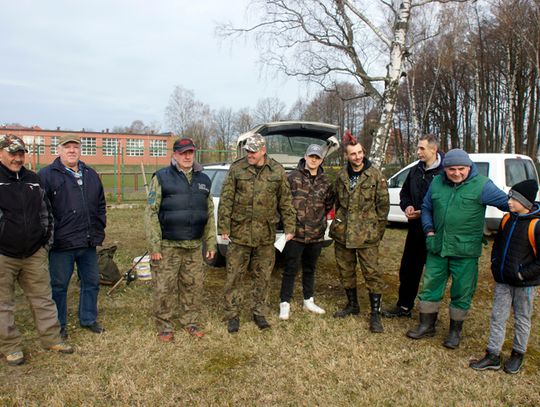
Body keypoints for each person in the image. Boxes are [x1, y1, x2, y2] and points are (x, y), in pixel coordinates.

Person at [406, 148, 509, 348]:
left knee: (462, 290)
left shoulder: (482, 185)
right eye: (451, 169)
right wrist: (428, 230)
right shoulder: (437, 182)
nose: (456, 173)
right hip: (437, 247)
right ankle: (427, 325)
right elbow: (427, 207)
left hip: (465, 251)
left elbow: (508, 204)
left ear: (469, 167)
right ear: (445, 169)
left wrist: (527, 214)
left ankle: (455, 332)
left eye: (461, 169)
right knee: (430, 287)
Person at [0, 135, 73, 366]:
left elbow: (46, 213)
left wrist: (45, 243)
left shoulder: (33, 179)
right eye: (13, 153)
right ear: (1, 153)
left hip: (34, 253)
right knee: (3, 304)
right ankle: (10, 346)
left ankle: (51, 338)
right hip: (4, 254)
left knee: (43, 298)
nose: (18, 158)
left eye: (21, 153)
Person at [218, 133, 296, 333]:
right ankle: (232, 314)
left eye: (253, 151)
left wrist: (290, 227)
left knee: (263, 276)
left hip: (265, 234)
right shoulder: (237, 168)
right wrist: (223, 226)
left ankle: (259, 312)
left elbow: (285, 201)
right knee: (234, 275)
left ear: (263, 150)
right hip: (239, 232)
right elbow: (226, 199)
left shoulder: (277, 170)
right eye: (247, 151)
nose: (249, 154)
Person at [145, 137, 216, 341]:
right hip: (168, 246)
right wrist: (154, 245)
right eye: (183, 152)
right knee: (164, 286)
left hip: (194, 246)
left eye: (190, 152)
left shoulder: (204, 179)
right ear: (174, 155)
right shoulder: (161, 177)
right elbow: (150, 213)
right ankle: (164, 324)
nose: (187, 156)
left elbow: (210, 213)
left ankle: (190, 321)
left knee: (193, 286)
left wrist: (210, 242)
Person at [39, 135, 106, 339]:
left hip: (88, 241)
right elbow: (41, 209)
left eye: (75, 147)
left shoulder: (90, 174)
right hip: (62, 243)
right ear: (58, 150)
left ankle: (88, 318)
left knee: (91, 282)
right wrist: (50, 236)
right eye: (67, 147)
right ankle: (58, 324)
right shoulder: (47, 175)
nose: (71, 151)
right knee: (59, 286)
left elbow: (101, 204)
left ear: (80, 150)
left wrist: (99, 226)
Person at [470, 180, 540, 374]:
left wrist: (522, 274)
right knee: (497, 317)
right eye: (509, 197)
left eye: (514, 199)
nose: (509, 202)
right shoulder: (506, 219)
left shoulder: (536, 225)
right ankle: (493, 354)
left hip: (524, 284)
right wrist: (495, 263)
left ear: (525, 203)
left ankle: (518, 354)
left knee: (522, 318)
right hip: (502, 281)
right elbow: (498, 245)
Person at [330, 136, 389, 333]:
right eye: (353, 154)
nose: (357, 157)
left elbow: (383, 207)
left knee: (371, 273)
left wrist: (376, 233)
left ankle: (375, 313)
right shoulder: (341, 177)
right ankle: (352, 305)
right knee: (345, 270)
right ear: (346, 155)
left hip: (367, 235)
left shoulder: (375, 176)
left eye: (360, 153)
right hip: (343, 233)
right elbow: (337, 202)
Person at [383, 134, 444, 318]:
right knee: (408, 269)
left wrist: (425, 213)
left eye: (422, 148)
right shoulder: (416, 170)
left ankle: (429, 315)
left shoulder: (444, 173)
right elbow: (405, 193)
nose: (418, 152)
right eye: (418, 148)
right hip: (415, 230)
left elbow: (447, 203)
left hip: (435, 231)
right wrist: (407, 205)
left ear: (433, 149)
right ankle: (404, 306)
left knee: (433, 274)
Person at [278, 144, 335, 320]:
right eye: (311, 156)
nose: (313, 160)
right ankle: (284, 302)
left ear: (321, 160)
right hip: (295, 234)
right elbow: (283, 203)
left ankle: (308, 300)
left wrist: (319, 223)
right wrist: (289, 226)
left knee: (310, 268)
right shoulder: (292, 177)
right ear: (305, 156)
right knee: (290, 268)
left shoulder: (326, 181)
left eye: (317, 157)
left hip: (316, 235)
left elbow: (328, 205)